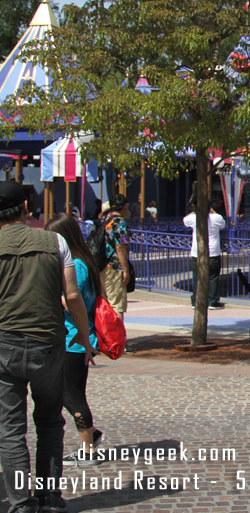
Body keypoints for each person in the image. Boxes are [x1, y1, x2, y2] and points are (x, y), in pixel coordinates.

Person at [0, 181, 96, 512]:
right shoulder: (54, 241)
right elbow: (72, 296)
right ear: (26, 208)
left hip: (4, 345)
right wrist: (84, 338)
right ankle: (49, 496)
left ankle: (20, 503)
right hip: (50, 343)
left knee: (10, 430)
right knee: (50, 422)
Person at [46, 214, 104, 466]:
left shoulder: (77, 266)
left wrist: (49, 293)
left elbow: (74, 301)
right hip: (75, 338)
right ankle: (91, 436)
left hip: (75, 339)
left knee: (71, 395)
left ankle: (88, 450)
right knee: (67, 392)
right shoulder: (83, 262)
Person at [184, 203, 227, 309]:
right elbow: (223, 224)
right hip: (213, 252)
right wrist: (213, 212)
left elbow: (185, 221)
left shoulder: (194, 218)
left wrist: (195, 211)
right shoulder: (216, 218)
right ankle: (212, 301)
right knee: (213, 277)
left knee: (197, 277)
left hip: (197, 252)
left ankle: (196, 300)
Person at [100, 193, 132, 318]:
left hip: (101, 265)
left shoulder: (104, 220)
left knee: (104, 303)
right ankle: (116, 336)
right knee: (116, 305)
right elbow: (120, 246)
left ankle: (104, 335)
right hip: (114, 267)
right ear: (123, 207)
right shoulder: (119, 222)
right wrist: (125, 269)